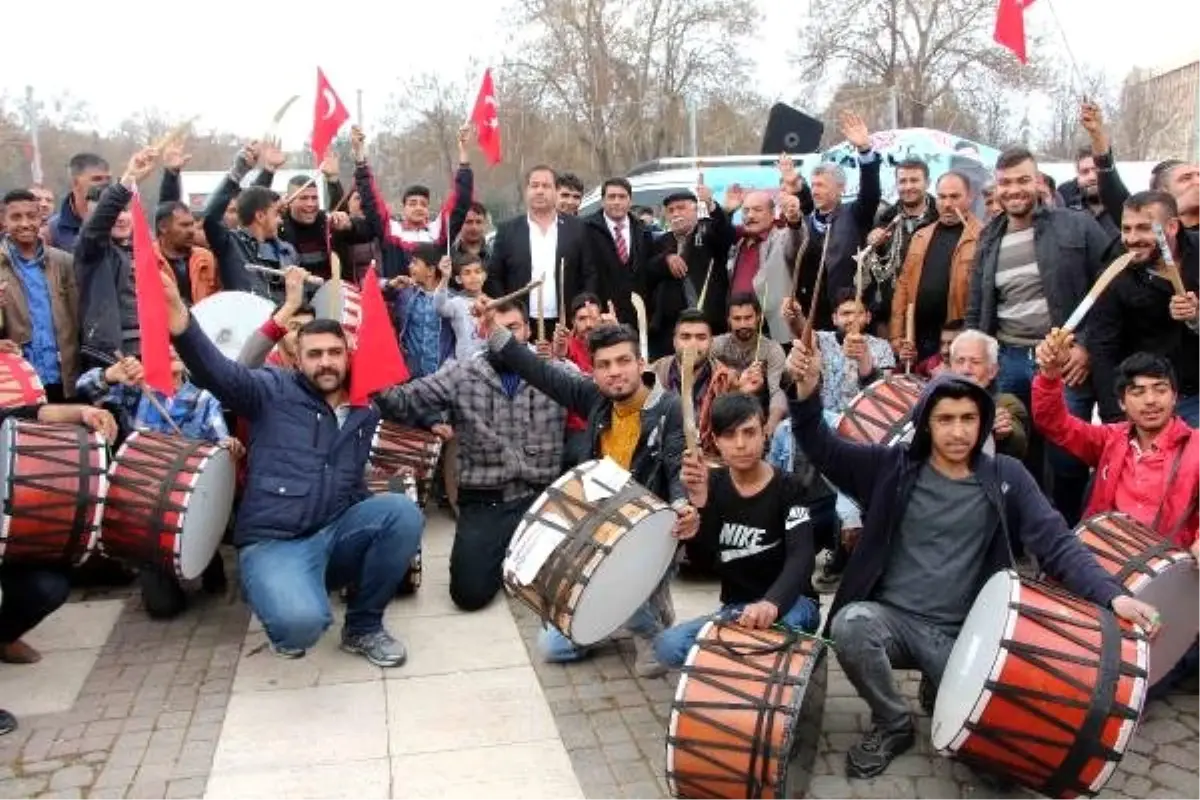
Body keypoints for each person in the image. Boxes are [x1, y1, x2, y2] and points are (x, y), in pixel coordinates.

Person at [785, 343, 1158, 780]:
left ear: (982, 423)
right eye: (945, 419)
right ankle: (893, 722)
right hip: (893, 622)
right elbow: (822, 447)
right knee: (850, 624)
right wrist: (806, 392)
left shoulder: (1008, 477)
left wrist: (1114, 597)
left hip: (966, 638)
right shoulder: (891, 467)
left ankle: (938, 683)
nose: (958, 431)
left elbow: (1058, 544)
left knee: (998, 775)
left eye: (968, 419)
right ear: (925, 424)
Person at [160, 270, 423, 665]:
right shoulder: (270, 390)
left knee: (402, 513)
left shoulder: (363, 411)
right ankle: (273, 589)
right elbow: (218, 372)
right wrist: (181, 321)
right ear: (296, 360)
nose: (326, 363)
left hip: (333, 531)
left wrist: (379, 542)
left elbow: (352, 482)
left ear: (348, 355)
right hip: (274, 541)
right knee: (302, 625)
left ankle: (363, 627)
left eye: (334, 353)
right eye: (314, 355)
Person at [483, 319, 696, 676]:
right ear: (593, 371)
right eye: (604, 365)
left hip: (651, 535)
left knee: (650, 660)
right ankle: (624, 610)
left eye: (623, 361)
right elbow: (540, 372)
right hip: (596, 529)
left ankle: (649, 623)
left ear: (640, 362)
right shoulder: (594, 399)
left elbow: (679, 466)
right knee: (553, 647)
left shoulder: (670, 409)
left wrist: (681, 506)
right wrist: (495, 332)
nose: (615, 372)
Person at [376, 301, 572, 611]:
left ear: (528, 329)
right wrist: (367, 370)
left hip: (542, 498)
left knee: (565, 588)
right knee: (469, 595)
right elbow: (402, 402)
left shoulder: (555, 373)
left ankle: (519, 550)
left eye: (513, 328)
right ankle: (503, 549)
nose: (504, 336)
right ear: (483, 330)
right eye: (497, 328)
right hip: (485, 500)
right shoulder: (461, 372)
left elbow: (601, 401)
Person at [966, 145, 1118, 524]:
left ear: (1037, 182)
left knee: (1066, 458)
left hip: (1060, 362)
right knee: (1015, 454)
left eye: (1022, 180)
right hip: (1008, 361)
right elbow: (977, 306)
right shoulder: (988, 238)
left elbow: (1112, 288)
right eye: (1005, 183)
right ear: (996, 188)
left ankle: (1066, 536)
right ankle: (1025, 536)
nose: (1014, 189)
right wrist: (974, 357)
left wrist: (1085, 346)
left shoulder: (1076, 225)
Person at [654, 393, 829, 667]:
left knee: (777, 631)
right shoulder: (711, 485)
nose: (740, 444)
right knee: (669, 645)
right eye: (729, 435)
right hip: (737, 610)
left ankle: (752, 662)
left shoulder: (789, 488)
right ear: (717, 441)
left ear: (764, 433)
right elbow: (704, 562)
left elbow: (802, 557)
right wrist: (700, 503)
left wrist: (771, 603)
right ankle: (738, 665)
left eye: (749, 432)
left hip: (792, 604)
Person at [75, 349, 243, 618]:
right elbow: (83, 388)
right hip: (146, 501)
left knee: (211, 577)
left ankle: (209, 556)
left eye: (176, 349)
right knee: (164, 608)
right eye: (161, 349)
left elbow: (219, 440)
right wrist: (111, 375)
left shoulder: (203, 398)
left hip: (190, 498)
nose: (171, 353)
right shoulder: (135, 394)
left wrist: (228, 445)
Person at [1033, 344, 1198, 543]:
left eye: (1160, 390)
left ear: (1174, 397)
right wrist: (1050, 376)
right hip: (1106, 555)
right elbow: (1053, 423)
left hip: (1171, 564)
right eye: (1138, 393)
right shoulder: (1110, 439)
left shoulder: (1195, 445)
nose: (1150, 400)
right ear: (1121, 402)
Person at [0, 401, 116, 674]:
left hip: (10, 539)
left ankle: (3, 635)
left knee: (49, 587)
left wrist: (83, 413)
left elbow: (32, 413)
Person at [1088, 192, 1200, 425]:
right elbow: (1102, 350)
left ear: (1171, 227)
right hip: (1150, 403)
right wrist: (1115, 418)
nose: (1132, 238)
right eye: (1126, 229)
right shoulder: (1114, 275)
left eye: (1143, 228)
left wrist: (1196, 317)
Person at [793, 111, 882, 331]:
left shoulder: (855, 213)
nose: (815, 191)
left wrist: (864, 151)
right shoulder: (805, 222)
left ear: (840, 188)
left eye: (821, 185)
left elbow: (871, 193)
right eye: (813, 185)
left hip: (850, 318)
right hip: (813, 319)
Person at [487, 165, 596, 339]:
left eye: (546, 186)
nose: (539, 191)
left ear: (555, 191)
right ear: (526, 191)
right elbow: (494, 276)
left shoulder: (577, 229)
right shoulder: (508, 230)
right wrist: (508, 312)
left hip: (566, 324)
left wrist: (584, 312)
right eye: (534, 185)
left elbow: (589, 274)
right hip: (521, 324)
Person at [76, 148, 159, 370]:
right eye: (115, 213)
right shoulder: (92, 251)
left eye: (125, 211)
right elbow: (99, 224)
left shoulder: (146, 251)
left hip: (154, 347)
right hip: (113, 355)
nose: (121, 218)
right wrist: (129, 179)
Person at [891, 171, 981, 365]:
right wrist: (897, 337)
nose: (947, 204)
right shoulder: (921, 236)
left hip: (957, 342)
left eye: (954, 196)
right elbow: (903, 288)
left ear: (970, 197)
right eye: (942, 197)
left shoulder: (982, 237)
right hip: (917, 340)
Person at [0, 189, 81, 400]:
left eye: (31, 216)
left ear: (41, 218)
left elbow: (78, 317)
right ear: (4, 221)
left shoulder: (64, 262)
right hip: (18, 383)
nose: (25, 224)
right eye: (16, 217)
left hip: (65, 377)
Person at [643, 187, 735, 358]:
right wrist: (667, 260)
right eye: (671, 210)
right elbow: (647, 270)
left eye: (681, 208)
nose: (676, 213)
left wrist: (711, 205)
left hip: (709, 324)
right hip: (669, 330)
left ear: (695, 209)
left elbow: (725, 234)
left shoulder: (707, 231)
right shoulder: (661, 241)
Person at [202, 143, 298, 300]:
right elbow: (210, 217)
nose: (281, 221)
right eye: (276, 214)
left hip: (283, 322)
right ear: (260, 217)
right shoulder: (230, 244)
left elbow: (255, 199)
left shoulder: (287, 251)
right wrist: (236, 174)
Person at [865, 158, 938, 332]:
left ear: (927, 183)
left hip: (931, 318)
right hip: (891, 317)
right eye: (902, 181)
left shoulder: (941, 217)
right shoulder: (883, 219)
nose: (908, 186)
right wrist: (873, 244)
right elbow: (872, 273)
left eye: (914, 180)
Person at [710, 292, 789, 433]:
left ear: (758, 317)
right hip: (722, 413)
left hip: (759, 414)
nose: (743, 324)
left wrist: (772, 423)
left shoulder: (772, 350)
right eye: (737, 319)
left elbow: (777, 391)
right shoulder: (715, 345)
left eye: (748, 318)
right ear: (729, 320)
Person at [583, 177, 656, 327]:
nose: (617, 202)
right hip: (601, 315)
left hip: (637, 317)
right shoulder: (586, 229)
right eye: (611, 197)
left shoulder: (642, 231)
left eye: (622, 197)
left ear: (630, 201)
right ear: (602, 201)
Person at [948, 330, 1029, 460]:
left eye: (975, 362)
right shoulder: (938, 400)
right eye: (960, 361)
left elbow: (1018, 442)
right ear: (951, 366)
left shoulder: (1006, 402)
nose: (966, 370)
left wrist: (1003, 433)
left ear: (992, 370)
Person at [389, 243, 456, 379]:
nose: (409, 266)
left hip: (443, 380)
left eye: (415, 263)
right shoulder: (405, 295)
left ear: (430, 270)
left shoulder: (453, 300)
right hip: (410, 379)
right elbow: (372, 292)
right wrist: (390, 284)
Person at [155, 200, 219, 306]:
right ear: (163, 227)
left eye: (192, 224)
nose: (191, 231)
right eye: (184, 225)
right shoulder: (147, 260)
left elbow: (218, 297)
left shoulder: (206, 258)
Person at [47, 153, 111, 251]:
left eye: (108, 179)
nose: (104, 185)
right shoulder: (53, 231)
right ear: (75, 183)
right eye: (97, 179)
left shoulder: (120, 223)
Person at [434, 253, 488, 362]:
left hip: (489, 364)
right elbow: (439, 307)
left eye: (477, 271)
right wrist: (445, 277)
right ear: (458, 279)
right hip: (465, 365)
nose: (473, 276)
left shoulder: (492, 303)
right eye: (467, 273)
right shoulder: (456, 303)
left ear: (485, 276)